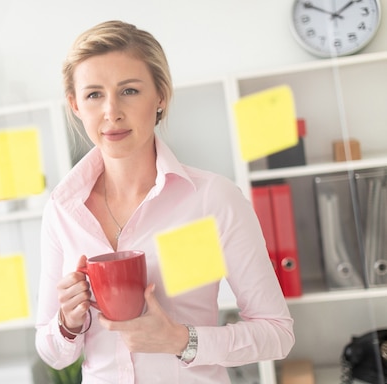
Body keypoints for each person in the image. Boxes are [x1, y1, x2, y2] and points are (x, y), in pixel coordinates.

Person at [35, 20, 294, 383]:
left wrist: (180, 340)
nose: (111, 111)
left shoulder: (211, 200)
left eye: (129, 90)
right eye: (94, 94)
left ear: (161, 96)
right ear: (75, 104)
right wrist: (68, 322)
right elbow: (52, 353)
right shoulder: (62, 210)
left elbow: (277, 333)